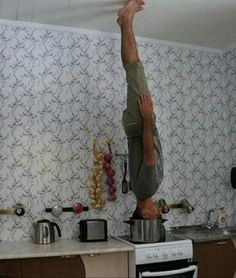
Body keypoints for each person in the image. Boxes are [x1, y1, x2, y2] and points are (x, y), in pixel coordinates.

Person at [117, 0, 164, 219]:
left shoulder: (146, 189)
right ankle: (123, 23)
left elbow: (148, 153)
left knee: (135, 68)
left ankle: (126, 18)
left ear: (145, 214)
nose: (159, 212)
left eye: (156, 214)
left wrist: (146, 118)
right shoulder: (141, 190)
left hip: (140, 123)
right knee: (132, 71)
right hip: (136, 126)